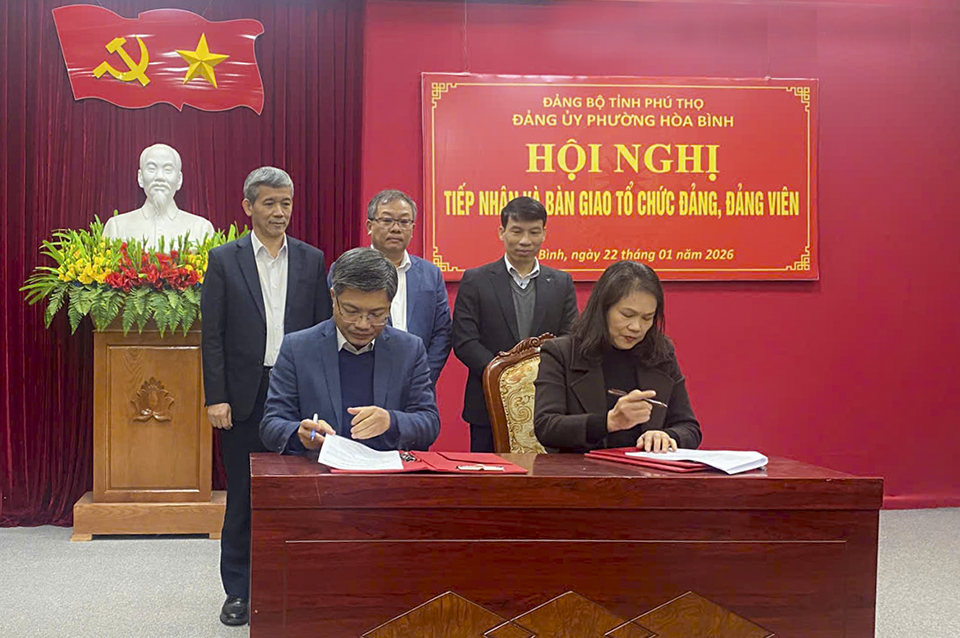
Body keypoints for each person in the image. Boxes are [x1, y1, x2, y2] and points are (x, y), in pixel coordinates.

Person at [201, 166, 332, 626]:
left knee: (301, 491)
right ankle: (238, 591)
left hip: (297, 390)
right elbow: (212, 335)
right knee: (243, 493)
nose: (279, 212)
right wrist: (216, 397)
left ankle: (297, 584)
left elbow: (323, 330)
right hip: (243, 393)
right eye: (269, 203)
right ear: (248, 206)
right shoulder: (224, 260)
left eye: (286, 203)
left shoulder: (312, 259)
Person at [260, 247, 440, 454]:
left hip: (386, 469)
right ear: (333, 297)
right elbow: (272, 424)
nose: (363, 324)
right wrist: (300, 434)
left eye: (376, 314)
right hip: (318, 468)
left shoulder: (408, 349)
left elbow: (429, 422)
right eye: (351, 311)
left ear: (390, 305)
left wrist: (391, 421)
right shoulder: (298, 348)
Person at [533, 261, 702, 453]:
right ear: (603, 310)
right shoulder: (561, 353)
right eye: (627, 315)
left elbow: (689, 428)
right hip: (583, 468)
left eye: (647, 318)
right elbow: (546, 426)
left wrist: (667, 436)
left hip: (646, 468)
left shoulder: (661, 353)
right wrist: (608, 422)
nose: (636, 327)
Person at [452, 196, 578, 452]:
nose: (525, 240)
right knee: (489, 474)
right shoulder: (476, 280)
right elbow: (465, 341)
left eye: (534, 232)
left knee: (546, 474)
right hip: (487, 403)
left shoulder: (561, 282)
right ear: (502, 232)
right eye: (517, 231)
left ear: (544, 234)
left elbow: (569, 338)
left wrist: (540, 377)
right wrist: (504, 377)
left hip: (547, 402)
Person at [328, 190, 451, 386]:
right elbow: (335, 325)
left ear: (413, 228)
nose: (396, 229)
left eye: (404, 222)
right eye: (387, 220)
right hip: (362, 379)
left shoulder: (430, 274)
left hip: (418, 381)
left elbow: (442, 332)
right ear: (369, 226)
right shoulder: (347, 269)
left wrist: (423, 376)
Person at [102, 143, 215, 249]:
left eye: (168, 170)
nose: (159, 177)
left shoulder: (201, 229)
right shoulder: (116, 227)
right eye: (151, 169)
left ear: (179, 180)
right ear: (140, 177)